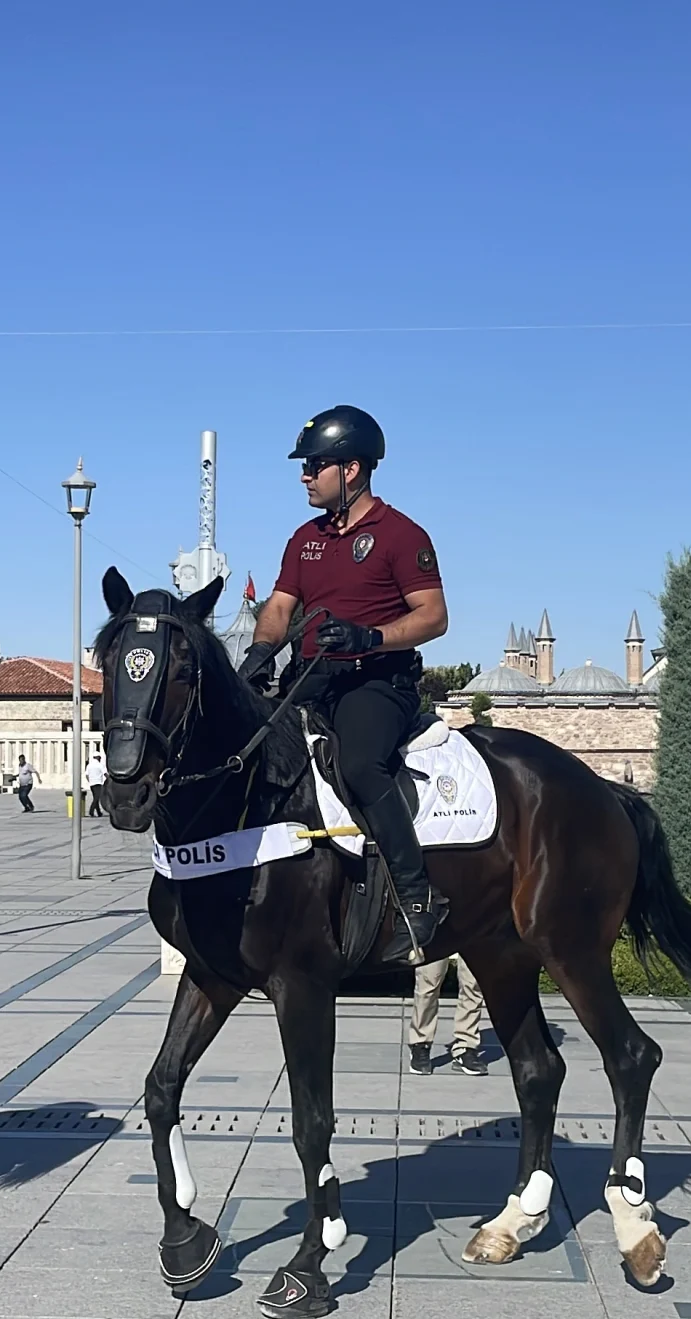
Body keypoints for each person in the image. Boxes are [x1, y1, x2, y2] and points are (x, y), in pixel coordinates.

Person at [241, 405, 451, 958]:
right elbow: (280, 605)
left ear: (351, 469)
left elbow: (433, 616)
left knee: (360, 764)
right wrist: (261, 651)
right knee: (248, 749)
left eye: (315, 466)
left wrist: (371, 638)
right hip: (313, 679)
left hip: (377, 682)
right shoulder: (304, 538)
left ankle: (418, 897)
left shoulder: (402, 535)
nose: (305, 476)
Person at [407, 951, 486, 1075]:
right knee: (428, 981)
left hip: (471, 933)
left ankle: (466, 1045)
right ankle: (420, 1042)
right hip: (437, 932)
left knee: (473, 984)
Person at [82, 753, 107, 817]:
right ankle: (91, 811)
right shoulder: (99, 765)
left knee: (96, 797)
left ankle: (99, 813)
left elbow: (87, 775)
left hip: (92, 784)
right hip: (98, 783)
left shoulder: (89, 765)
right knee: (97, 798)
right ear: (98, 757)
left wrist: (90, 781)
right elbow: (105, 773)